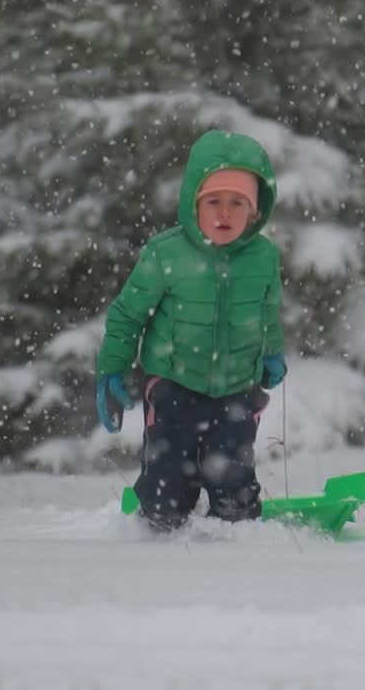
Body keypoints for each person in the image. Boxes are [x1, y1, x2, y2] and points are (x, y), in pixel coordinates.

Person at [95, 129, 287, 531]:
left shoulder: (264, 256)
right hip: (173, 385)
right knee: (166, 497)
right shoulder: (166, 253)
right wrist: (112, 369)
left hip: (235, 387)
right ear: (193, 203)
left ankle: (231, 533)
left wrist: (271, 352)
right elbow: (128, 314)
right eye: (213, 201)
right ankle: (160, 522)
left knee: (235, 492)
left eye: (238, 203)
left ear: (255, 211)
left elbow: (268, 310)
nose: (224, 213)